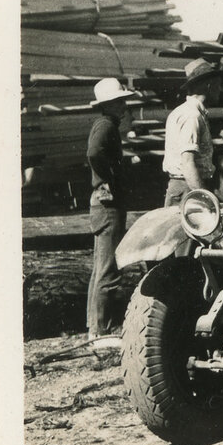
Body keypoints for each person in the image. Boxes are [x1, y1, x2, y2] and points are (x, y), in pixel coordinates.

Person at [86, 77, 136, 343]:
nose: (125, 106)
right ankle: (102, 331)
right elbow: (94, 154)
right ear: (110, 104)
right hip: (108, 206)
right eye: (120, 102)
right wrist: (109, 177)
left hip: (102, 205)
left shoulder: (105, 125)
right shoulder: (105, 126)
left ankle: (95, 327)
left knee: (100, 268)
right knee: (108, 270)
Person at [163, 58, 223, 206]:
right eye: (218, 85)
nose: (220, 89)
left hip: (187, 187)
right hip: (188, 189)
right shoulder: (192, 116)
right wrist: (207, 199)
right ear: (209, 85)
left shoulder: (187, 112)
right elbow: (188, 163)